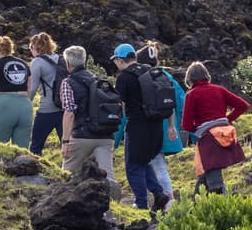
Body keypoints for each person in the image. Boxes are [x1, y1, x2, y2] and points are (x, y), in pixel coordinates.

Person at [113, 42, 175, 216]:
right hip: (156, 126)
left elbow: (121, 104)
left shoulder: (124, 77)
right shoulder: (149, 70)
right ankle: (159, 194)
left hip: (137, 126)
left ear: (119, 59)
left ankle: (140, 204)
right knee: (145, 162)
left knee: (133, 166)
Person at [182, 61, 250, 194]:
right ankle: (196, 206)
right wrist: (226, 120)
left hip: (208, 139)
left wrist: (199, 129)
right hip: (225, 133)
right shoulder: (219, 89)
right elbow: (243, 105)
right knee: (206, 173)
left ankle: (222, 207)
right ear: (207, 75)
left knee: (214, 182)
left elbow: (186, 125)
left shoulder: (192, 94)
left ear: (189, 78)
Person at [58, 45, 118, 179]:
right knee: (107, 177)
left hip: (81, 136)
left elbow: (69, 113)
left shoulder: (68, 83)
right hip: (105, 136)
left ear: (68, 63)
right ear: (84, 61)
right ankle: (112, 198)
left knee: (67, 175)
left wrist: (65, 142)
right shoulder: (99, 81)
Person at [0, 36, 34, 147]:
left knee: (0, 147)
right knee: (23, 148)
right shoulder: (24, 64)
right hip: (25, 105)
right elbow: (29, 90)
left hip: (5, 105)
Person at [24, 32, 64, 154]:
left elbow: (32, 90)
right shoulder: (61, 59)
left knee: (36, 146)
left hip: (47, 109)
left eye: (31, 48)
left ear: (35, 47)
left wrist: (23, 105)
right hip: (64, 108)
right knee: (68, 146)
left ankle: (35, 171)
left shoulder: (37, 62)